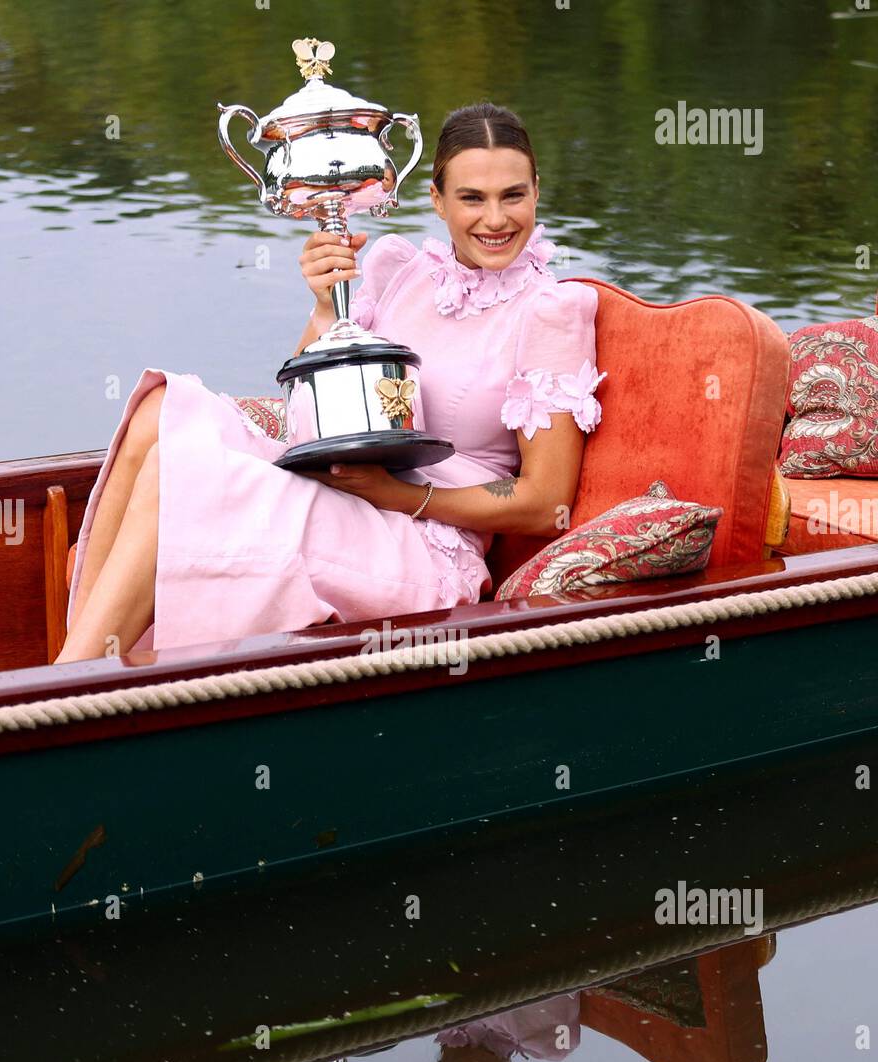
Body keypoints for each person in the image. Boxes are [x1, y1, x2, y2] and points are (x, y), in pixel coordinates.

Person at [55, 102, 606, 664]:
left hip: (421, 541)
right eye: (472, 198)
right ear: (437, 200)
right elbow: (306, 406)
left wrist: (404, 497)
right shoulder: (403, 272)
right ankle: (84, 664)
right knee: (160, 409)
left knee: (177, 476)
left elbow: (545, 503)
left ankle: (68, 684)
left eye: (512, 195)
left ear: (537, 191)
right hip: (348, 483)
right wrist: (324, 308)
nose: (495, 220)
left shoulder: (549, 314)